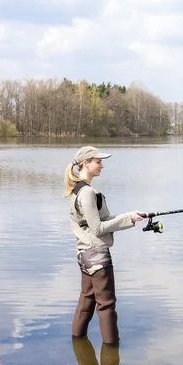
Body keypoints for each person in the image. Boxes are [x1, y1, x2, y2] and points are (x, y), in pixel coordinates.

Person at [64, 146, 147, 346]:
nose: (102, 165)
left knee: (87, 300)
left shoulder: (78, 189)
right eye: (98, 161)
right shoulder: (87, 192)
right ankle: (112, 354)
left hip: (84, 254)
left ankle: (78, 343)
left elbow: (100, 220)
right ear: (86, 163)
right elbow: (99, 227)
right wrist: (129, 219)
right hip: (97, 256)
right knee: (107, 306)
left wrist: (131, 215)